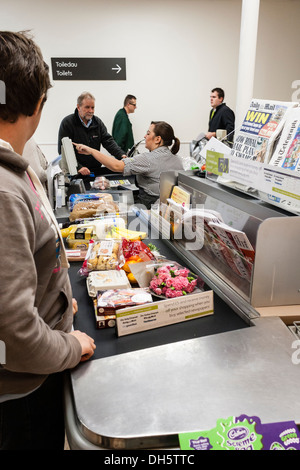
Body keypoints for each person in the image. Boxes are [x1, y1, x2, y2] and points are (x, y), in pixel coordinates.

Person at [0, 31, 96, 450]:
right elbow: (13, 331)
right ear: (38, 105)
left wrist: (57, 303)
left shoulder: (16, 170)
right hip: (20, 395)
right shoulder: (4, 190)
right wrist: (69, 345)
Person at [74, 121, 184, 209]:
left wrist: (92, 151)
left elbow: (116, 166)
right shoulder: (178, 160)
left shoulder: (148, 159)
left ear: (158, 139)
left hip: (148, 208)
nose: (145, 136)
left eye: (148, 133)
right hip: (167, 209)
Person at [58, 92, 126, 177]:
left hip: (95, 171)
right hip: (76, 172)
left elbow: (108, 141)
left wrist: (121, 155)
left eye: (92, 107)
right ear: (78, 107)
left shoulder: (97, 122)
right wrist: (79, 167)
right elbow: (63, 151)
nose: (91, 111)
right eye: (87, 107)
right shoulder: (67, 123)